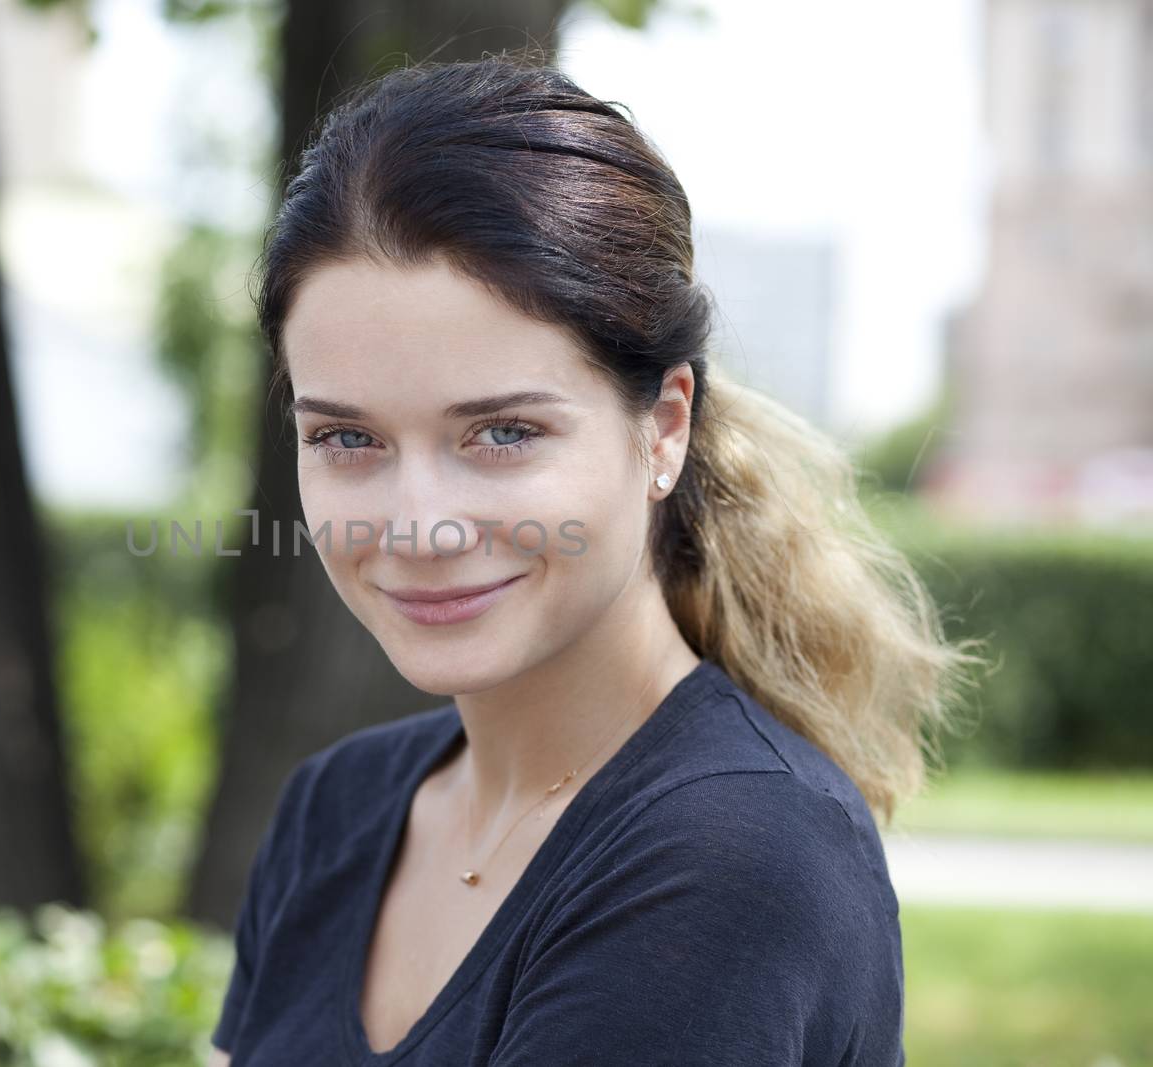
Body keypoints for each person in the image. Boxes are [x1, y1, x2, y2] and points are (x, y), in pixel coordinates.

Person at [206, 50, 987, 1067]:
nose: (419, 526)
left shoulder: (732, 856)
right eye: (346, 439)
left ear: (662, 427)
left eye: (502, 434)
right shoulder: (337, 807)